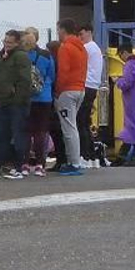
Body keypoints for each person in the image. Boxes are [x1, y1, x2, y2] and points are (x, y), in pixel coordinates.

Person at [0, 29, 32, 180]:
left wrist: (17, 97)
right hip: (3, 101)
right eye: (5, 41)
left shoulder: (21, 57)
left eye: (9, 42)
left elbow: (25, 80)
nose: (6, 44)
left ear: (17, 43)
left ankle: (19, 167)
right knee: (1, 135)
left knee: (18, 134)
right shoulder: (2, 56)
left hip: (16, 103)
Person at [54, 19, 88, 177]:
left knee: (68, 128)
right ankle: (75, 160)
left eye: (58, 30)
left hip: (67, 91)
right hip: (80, 89)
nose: (58, 33)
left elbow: (63, 72)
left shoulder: (65, 48)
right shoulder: (82, 48)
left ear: (63, 30)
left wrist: (58, 91)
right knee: (73, 126)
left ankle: (73, 162)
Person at [23, 27, 56, 177]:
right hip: (44, 97)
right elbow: (52, 75)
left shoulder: (22, 55)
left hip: (26, 97)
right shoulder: (46, 55)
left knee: (26, 131)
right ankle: (40, 164)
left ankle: (24, 163)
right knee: (41, 131)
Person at [78, 23, 104, 169]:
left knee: (80, 122)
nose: (80, 38)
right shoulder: (96, 49)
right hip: (93, 86)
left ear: (89, 32)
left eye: (82, 34)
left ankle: (85, 155)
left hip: (86, 85)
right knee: (85, 122)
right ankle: (91, 156)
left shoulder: (87, 48)